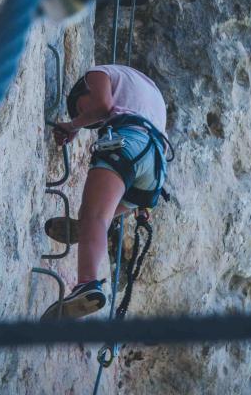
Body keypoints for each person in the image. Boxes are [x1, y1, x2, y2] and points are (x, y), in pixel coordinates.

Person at [40, 64, 169, 321]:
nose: (93, 121)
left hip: (128, 146)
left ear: (82, 91)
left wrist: (73, 124)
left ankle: (87, 283)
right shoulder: (148, 91)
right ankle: (84, 230)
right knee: (102, 217)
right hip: (155, 169)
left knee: (94, 216)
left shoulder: (97, 74)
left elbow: (102, 108)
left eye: (80, 107)